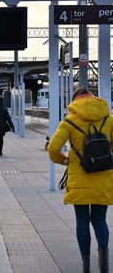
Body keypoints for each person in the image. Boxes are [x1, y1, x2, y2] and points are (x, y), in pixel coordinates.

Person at [47, 87, 113, 273]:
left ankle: (86, 266)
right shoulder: (108, 119)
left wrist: (65, 160)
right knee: (100, 220)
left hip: (79, 178)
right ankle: (104, 265)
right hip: (103, 178)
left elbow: (53, 149)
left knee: (82, 221)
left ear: (75, 101)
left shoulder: (69, 121)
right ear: (93, 98)